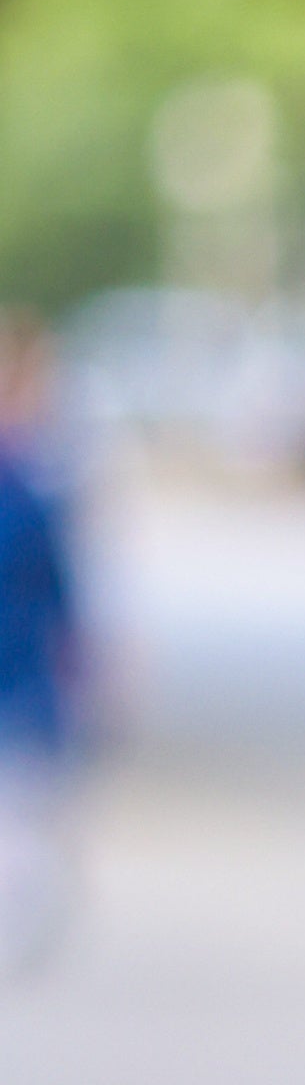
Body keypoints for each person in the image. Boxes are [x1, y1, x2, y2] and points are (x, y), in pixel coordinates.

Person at [0, 321, 82, 975]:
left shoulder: (36, 480)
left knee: (24, 820)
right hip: (24, 673)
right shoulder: (34, 482)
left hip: (21, 671)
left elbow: (61, 588)